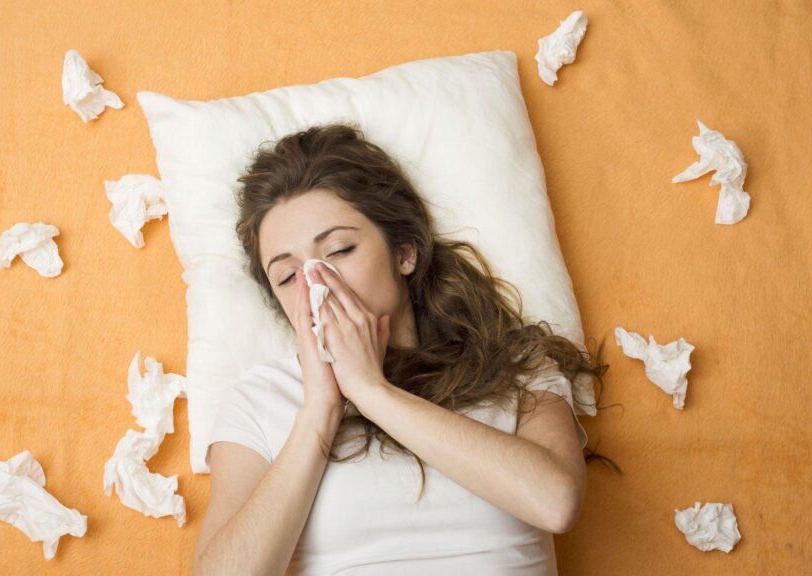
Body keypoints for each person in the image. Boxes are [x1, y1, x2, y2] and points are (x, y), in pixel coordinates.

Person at [192, 123, 613, 575]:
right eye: (288, 276)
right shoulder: (258, 401)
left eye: (338, 250)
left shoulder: (516, 365)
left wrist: (373, 392)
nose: (315, 282)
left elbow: (556, 503)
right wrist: (320, 410)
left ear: (404, 252)